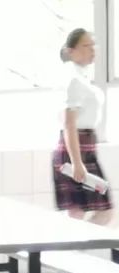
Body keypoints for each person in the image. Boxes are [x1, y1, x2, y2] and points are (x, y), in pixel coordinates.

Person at [53, 28, 111, 223]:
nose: (92, 50)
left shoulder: (82, 78)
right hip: (75, 150)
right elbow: (69, 124)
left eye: (93, 45)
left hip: (86, 147)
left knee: (84, 213)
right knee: (79, 213)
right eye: (86, 46)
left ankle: (75, 250)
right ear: (71, 51)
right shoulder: (73, 81)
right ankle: (71, 251)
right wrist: (77, 163)